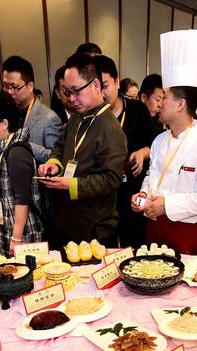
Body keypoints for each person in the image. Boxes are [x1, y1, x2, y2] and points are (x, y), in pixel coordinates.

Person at [132, 29, 197, 256]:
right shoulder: (159, 140)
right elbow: (151, 175)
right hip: (152, 227)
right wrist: (144, 194)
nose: (160, 103)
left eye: (164, 97)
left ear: (180, 104)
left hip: (183, 232)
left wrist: (168, 206)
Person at [37, 53, 127, 248]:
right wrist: (53, 164)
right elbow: (59, 147)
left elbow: (111, 180)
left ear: (96, 85)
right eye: (67, 92)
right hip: (66, 221)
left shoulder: (110, 128)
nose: (72, 99)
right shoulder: (77, 117)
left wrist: (70, 184)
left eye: (76, 91)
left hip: (94, 229)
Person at [95, 55, 156, 249]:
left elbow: (156, 147)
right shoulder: (93, 116)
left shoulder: (137, 110)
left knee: (136, 247)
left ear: (117, 82)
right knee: (106, 251)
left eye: (105, 86)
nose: (101, 93)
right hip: (104, 198)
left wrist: (142, 153)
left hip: (133, 192)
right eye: (96, 87)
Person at [0, 90, 46, 256]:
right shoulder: (6, 148)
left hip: (24, 235)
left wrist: (16, 238)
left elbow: (22, 199)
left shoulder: (17, 153)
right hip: (11, 229)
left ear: (4, 124)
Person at [1, 55, 62, 163]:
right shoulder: (5, 112)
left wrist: (24, 146)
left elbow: (56, 157)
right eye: (6, 86)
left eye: (14, 87)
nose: (9, 92)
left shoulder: (50, 118)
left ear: (30, 86)